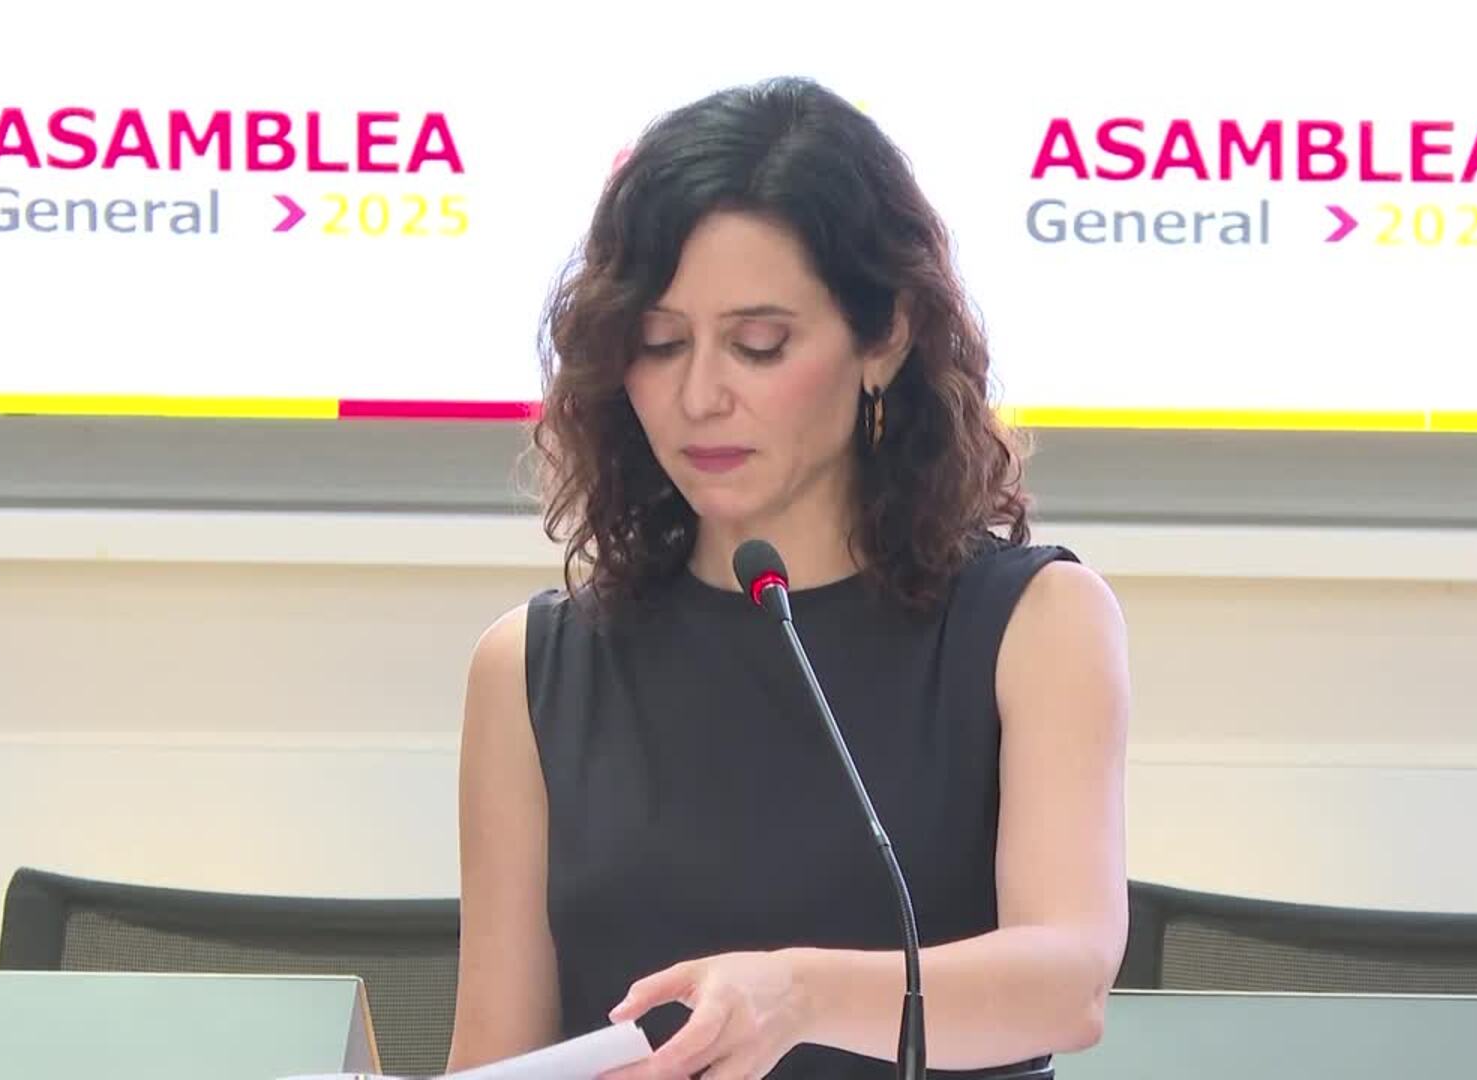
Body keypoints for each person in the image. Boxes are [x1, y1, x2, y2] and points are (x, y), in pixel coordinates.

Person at [447, 76, 1130, 1080]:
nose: (700, 395)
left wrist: (799, 995)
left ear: (884, 337)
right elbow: (493, 1057)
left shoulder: (1036, 621)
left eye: (759, 345)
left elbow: (1066, 984)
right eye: (659, 344)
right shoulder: (532, 668)